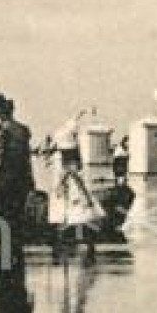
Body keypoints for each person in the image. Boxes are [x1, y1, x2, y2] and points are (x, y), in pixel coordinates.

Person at [48, 110, 104, 259]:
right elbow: (74, 174)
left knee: (68, 217)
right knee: (82, 216)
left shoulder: (61, 154)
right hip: (74, 191)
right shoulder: (70, 154)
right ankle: (85, 243)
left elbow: (69, 174)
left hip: (69, 191)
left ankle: (63, 243)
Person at [0, 93, 34, 259]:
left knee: (3, 217)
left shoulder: (1, 131)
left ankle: (5, 256)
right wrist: (30, 180)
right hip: (21, 179)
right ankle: (16, 253)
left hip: (5, 180)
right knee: (17, 216)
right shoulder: (23, 130)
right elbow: (27, 157)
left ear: (0, 113)